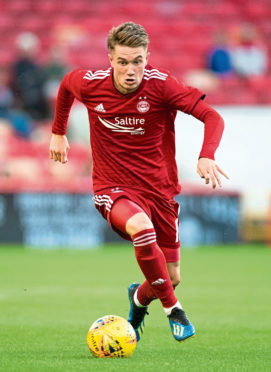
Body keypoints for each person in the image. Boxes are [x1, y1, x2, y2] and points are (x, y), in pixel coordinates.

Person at [49, 22, 228, 343]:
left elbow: (212, 117)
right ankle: (174, 311)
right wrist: (58, 131)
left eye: (138, 61)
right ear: (110, 59)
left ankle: (139, 298)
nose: (131, 70)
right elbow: (65, 86)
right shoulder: (90, 84)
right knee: (142, 229)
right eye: (123, 61)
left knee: (171, 277)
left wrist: (207, 154)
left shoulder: (163, 86)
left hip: (160, 191)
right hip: (112, 187)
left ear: (147, 57)